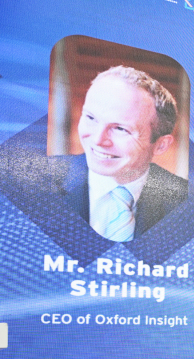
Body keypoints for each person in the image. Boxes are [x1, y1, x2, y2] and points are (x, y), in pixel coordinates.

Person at [60, 66, 187, 241]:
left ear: (160, 145)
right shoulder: (34, 184)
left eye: (120, 129)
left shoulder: (188, 203)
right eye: (90, 118)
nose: (98, 140)